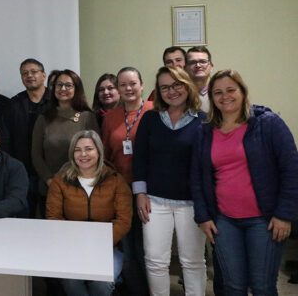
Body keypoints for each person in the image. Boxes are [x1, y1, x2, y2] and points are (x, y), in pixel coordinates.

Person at [192, 70, 298, 295]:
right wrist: (203, 216)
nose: (225, 96)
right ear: (211, 98)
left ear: (243, 92)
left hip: (265, 220)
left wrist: (284, 215)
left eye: (231, 90)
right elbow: (198, 178)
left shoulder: (268, 123)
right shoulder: (205, 131)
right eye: (218, 92)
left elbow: (291, 169)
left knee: (262, 287)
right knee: (233, 287)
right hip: (223, 221)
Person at [133, 67, 206, 295]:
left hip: (191, 203)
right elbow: (140, 158)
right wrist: (140, 193)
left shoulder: (203, 121)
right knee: (155, 261)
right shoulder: (150, 118)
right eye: (165, 87)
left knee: (192, 261)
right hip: (154, 201)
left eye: (176, 85)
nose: (171, 91)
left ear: (187, 85)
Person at [47, 130, 132, 295]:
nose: (83, 154)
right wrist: (77, 243)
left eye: (89, 149)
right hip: (71, 247)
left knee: (102, 284)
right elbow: (53, 218)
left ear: (99, 151)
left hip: (108, 248)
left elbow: (124, 220)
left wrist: (100, 243)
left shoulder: (115, 180)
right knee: (69, 280)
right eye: (77, 150)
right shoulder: (60, 181)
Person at [101, 66, 153, 295]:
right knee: (129, 247)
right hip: (121, 190)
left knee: (150, 249)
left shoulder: (155, 111)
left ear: (142, 85)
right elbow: (104, 155)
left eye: (133, 83)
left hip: (152, 191)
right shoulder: (110, 117)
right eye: (123, 85)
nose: (128, 88)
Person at [31, 69, 99, 213]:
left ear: (76, 88)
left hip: (80, 188)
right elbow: (36, 155)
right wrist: (50, 180)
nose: (63, 89)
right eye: (59, 85)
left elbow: (97, 152)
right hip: (50, 188)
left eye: (68, 85)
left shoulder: (87, 117)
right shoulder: (43, 119)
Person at [8, 58, 49, 218]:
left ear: (43, 75)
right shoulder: (14, 104)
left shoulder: (56, 101)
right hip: (22, 172)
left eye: (33, 72)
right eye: (24, 73)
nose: (29, 75)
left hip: (50, 173)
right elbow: (6, 139)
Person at [186, 46, 213, 112]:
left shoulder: (220, 92)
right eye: (192, 62)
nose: (198, 65)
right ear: (185, 68)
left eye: (203, 61)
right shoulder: (180, 94)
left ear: (211, 67)